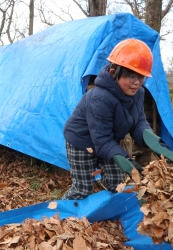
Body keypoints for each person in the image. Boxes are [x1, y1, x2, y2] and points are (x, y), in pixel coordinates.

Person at [62, 38, 157, 199]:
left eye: (141, 77)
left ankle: (112, 215)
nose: (136, 83)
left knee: (118, 183)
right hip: (81, 142)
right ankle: (60, 215)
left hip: (107, 141)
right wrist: (126, 160)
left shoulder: (138, 93)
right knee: (83, 189)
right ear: (114, 73)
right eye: (131, 76)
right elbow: (102, 139)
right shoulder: (100, 98)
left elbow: (138, 121)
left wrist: (153, 141)